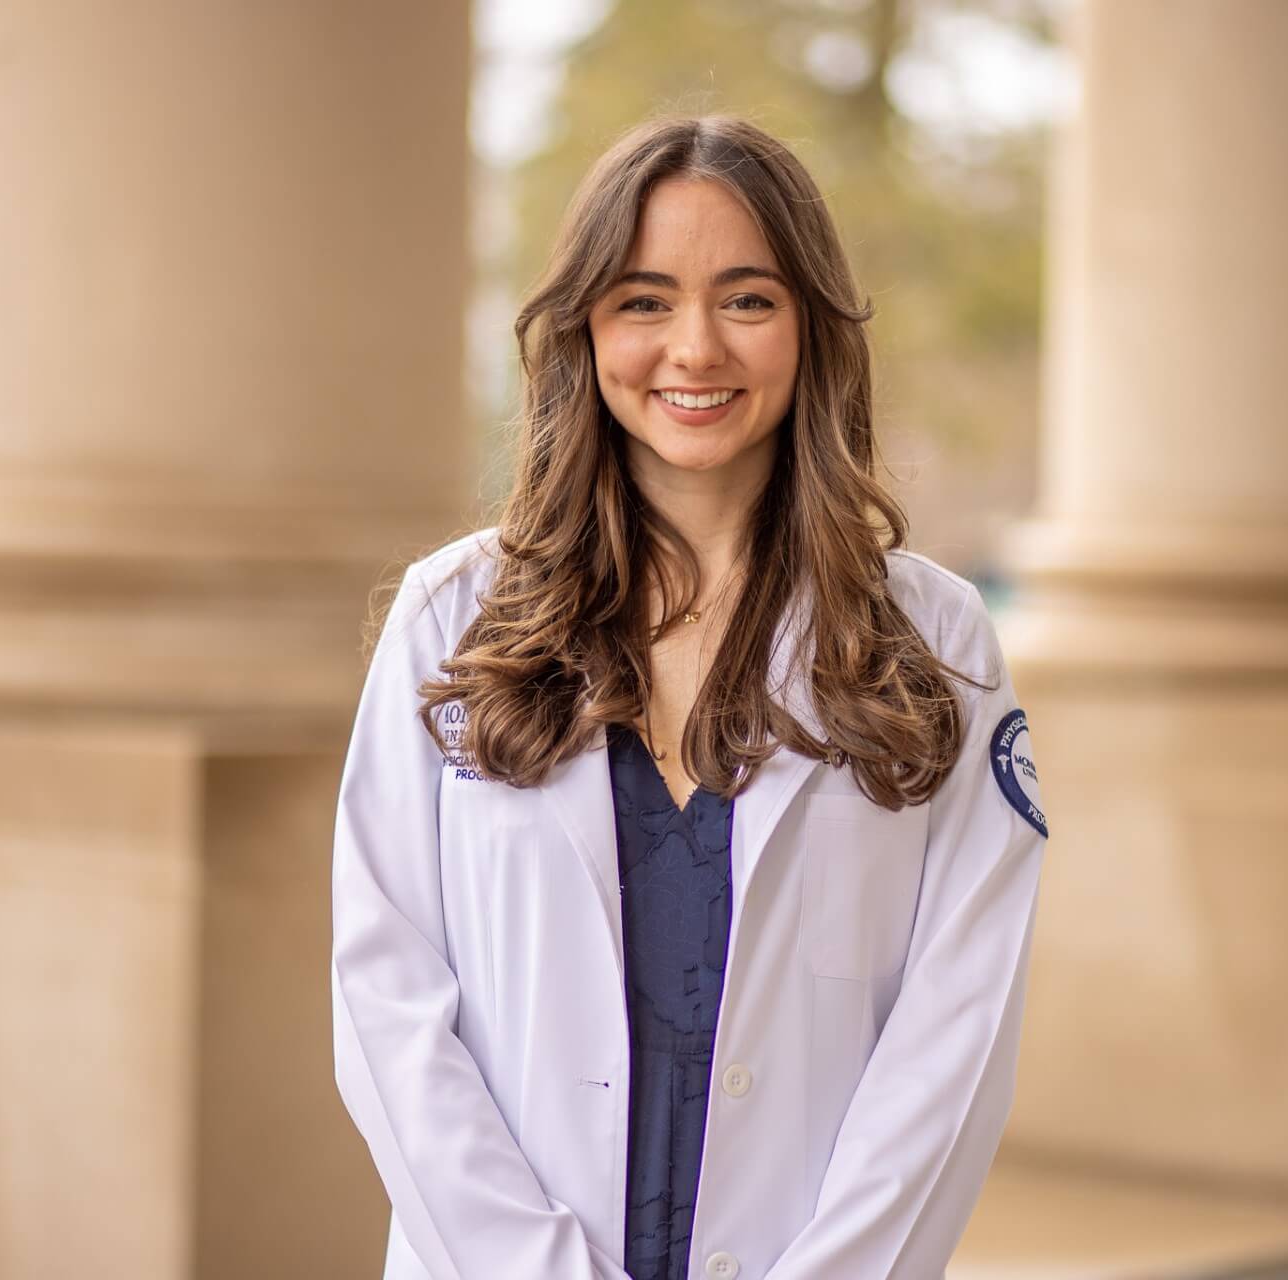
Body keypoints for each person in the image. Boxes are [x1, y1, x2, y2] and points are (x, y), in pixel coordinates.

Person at [331, 114, 1049, 1280]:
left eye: (749, 299)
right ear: (587, 328)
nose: (696, 348)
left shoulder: (937, 640)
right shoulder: (448, 618)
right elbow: (387, 1003)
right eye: (646, 300)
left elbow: (956, 1033)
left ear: (812, 327)